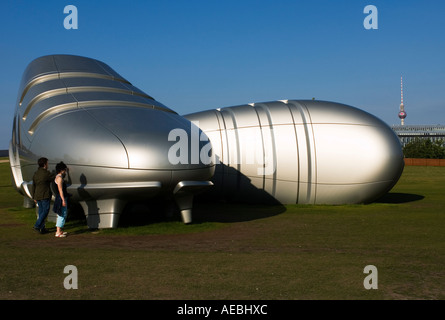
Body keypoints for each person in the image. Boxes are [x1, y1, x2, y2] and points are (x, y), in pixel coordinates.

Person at [32, 157, 54, 234]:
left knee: (41, 212)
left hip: (37, 195)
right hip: (45, 195)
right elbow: (54, 178)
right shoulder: (46, 173)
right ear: (45, 164)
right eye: (47, 163)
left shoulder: (36, 173)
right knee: (45, 211)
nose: (48, 165)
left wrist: (33, 196)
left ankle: (42, 228)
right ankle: (37, 225)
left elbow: (33, 185)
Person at [53, 162, 69, 238]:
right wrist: (63, 200)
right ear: (62, 170)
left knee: (62, 214)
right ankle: (58, 231)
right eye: (65, 170)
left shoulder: (58, 177)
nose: (65, 171)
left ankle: (59, 230)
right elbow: (60, 190)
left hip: (60, 197)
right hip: (61, 197)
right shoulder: (59, 178)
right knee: (62, 214)